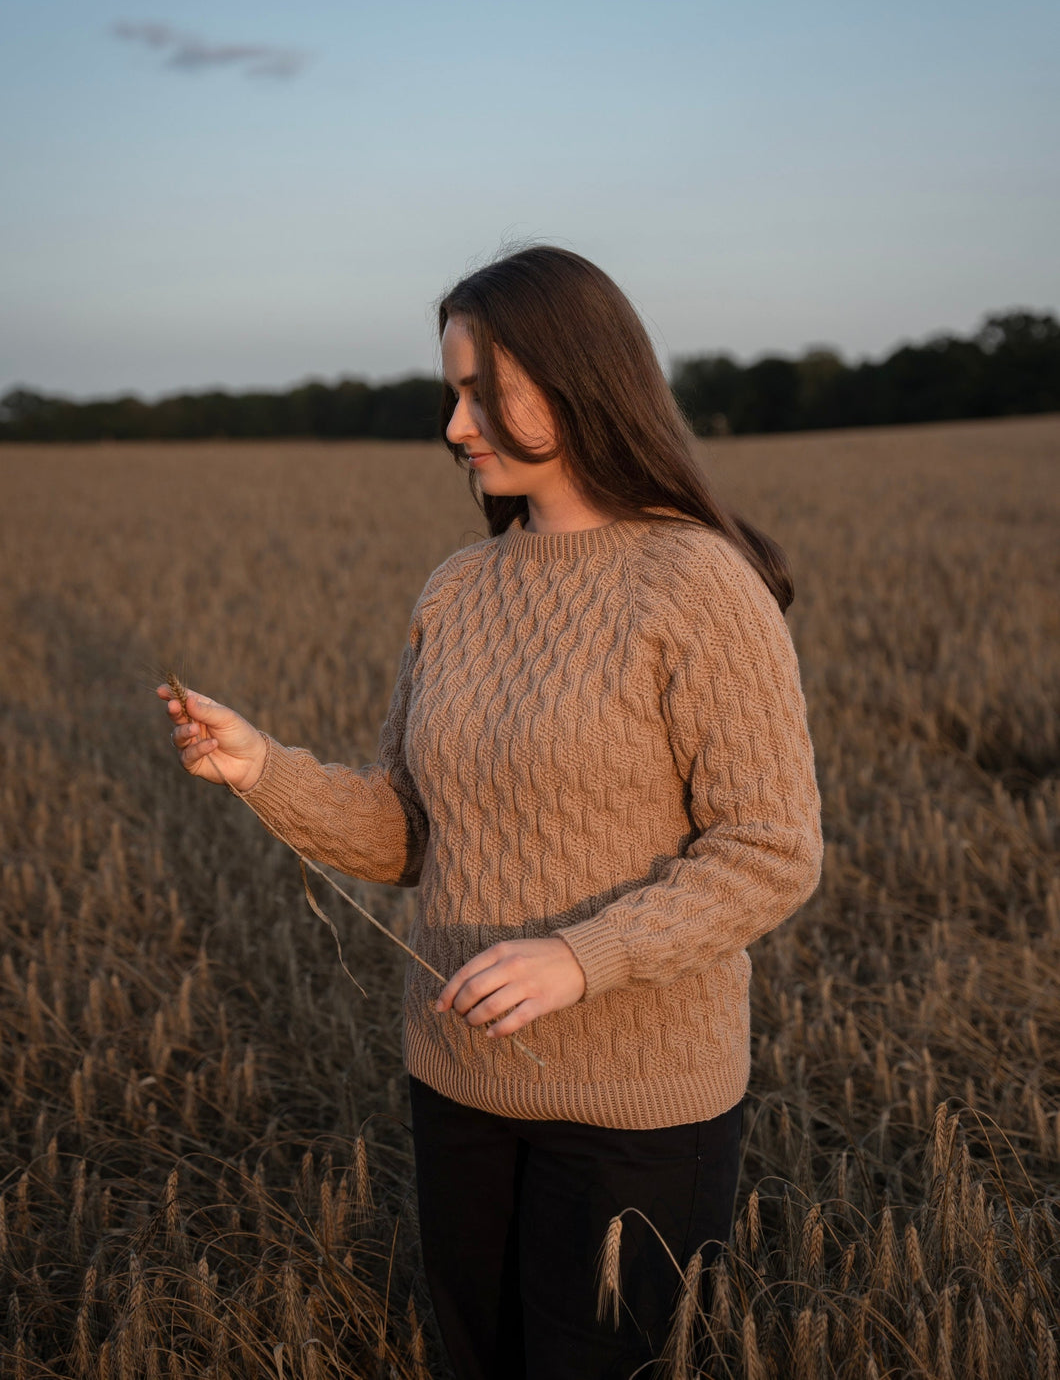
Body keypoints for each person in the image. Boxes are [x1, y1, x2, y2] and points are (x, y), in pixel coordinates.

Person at [158, 245, 824, 1380]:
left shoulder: (695, 581)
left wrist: (579, 958)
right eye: (452, 388)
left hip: (634, 1104)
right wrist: (261, 767)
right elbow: (406, 833)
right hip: (456, 1077)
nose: (454, 422)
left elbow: (770, 852)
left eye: (480, 389)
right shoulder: (458, 587)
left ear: (574, 384)